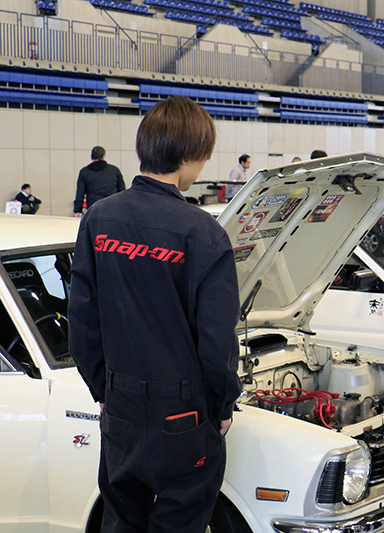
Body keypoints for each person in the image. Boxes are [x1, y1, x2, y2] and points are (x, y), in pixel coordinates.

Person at [69, 96, 242, 533]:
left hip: (120, 404)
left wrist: (102, 388)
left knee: (120, 518)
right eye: (203, 157)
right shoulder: (204, 233)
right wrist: (223, 403)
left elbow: (83, 321)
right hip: (182, 415)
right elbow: (216, 341)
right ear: (186, 157)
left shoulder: (98, 220)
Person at [74, 145, 125, 218]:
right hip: (111, 209)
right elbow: (122, 191)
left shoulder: (84, 172)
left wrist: (78, 210)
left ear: (91, 157)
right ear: (103, 157)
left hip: (93, 209)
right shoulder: (114, 170)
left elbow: (80, 193)